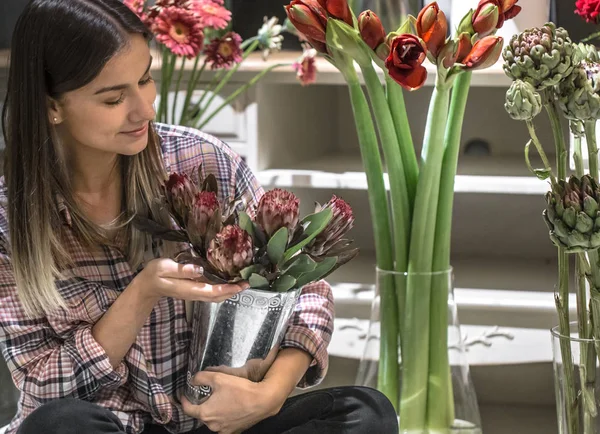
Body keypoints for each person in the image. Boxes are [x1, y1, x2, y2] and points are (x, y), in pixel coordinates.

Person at [0, 1, 399, 433]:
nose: (145, 111)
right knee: (59, 426)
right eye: (114, 98)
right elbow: (43, 391)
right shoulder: (10, 220)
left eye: (145, 79)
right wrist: (140, 295)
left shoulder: (201, 160)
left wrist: (269, 395)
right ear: (52, 107)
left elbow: (306, 291)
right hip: (111, 426)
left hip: (224, 423)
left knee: (365, 412)